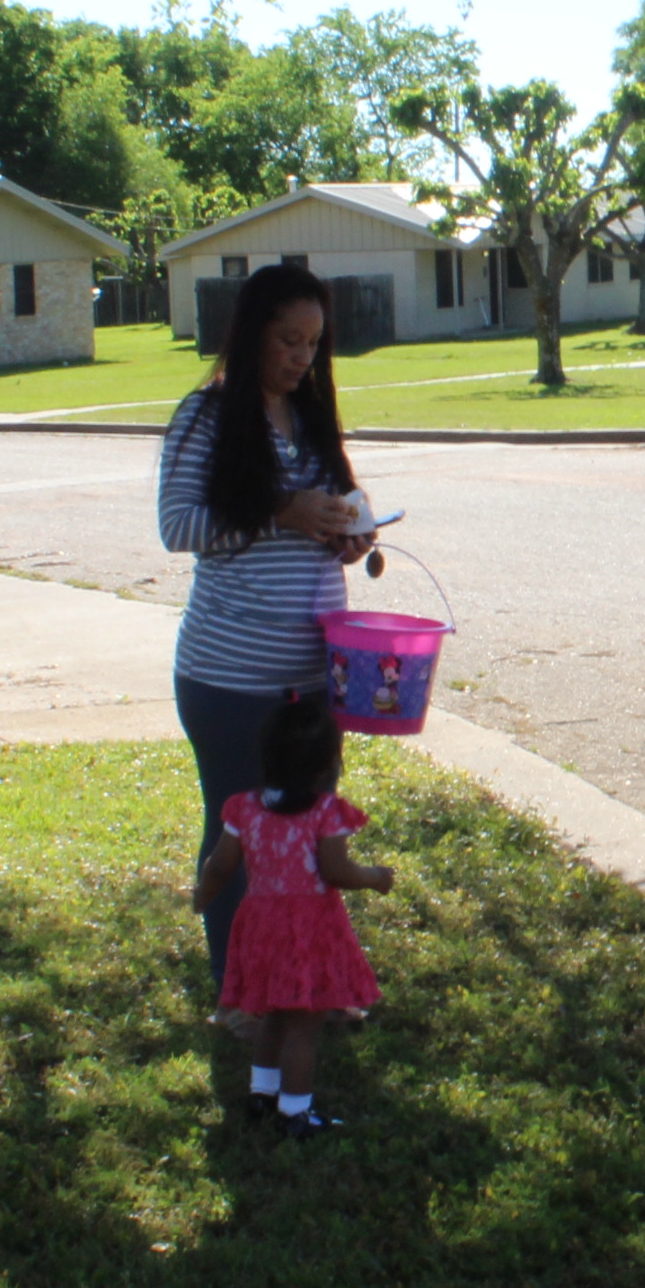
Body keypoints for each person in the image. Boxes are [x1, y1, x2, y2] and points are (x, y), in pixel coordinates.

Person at [160, 265, 373, 1000]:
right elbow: (178, 527)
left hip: (314, 678)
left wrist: (350, 533)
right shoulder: (208, 416)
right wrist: (282, 513)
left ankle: (304, 985)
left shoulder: (309, 415)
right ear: (252, 333)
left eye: (312, 343)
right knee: (241, 838)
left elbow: (337, 507)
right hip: (229, 678)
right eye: (288, 340)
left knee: (311, 841)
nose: (300, 357)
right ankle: (238, 990)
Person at [197, 696, 394, 1139]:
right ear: (328, 766)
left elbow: (220, 864)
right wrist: (375, 877)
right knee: (304, 1027)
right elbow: (336, 871)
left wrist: (203, 895)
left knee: (273, 1014)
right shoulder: (326, 813)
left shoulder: (244, 808)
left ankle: (261, 1094)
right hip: (309, 930)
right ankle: (295, 1113)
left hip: (260, 926)